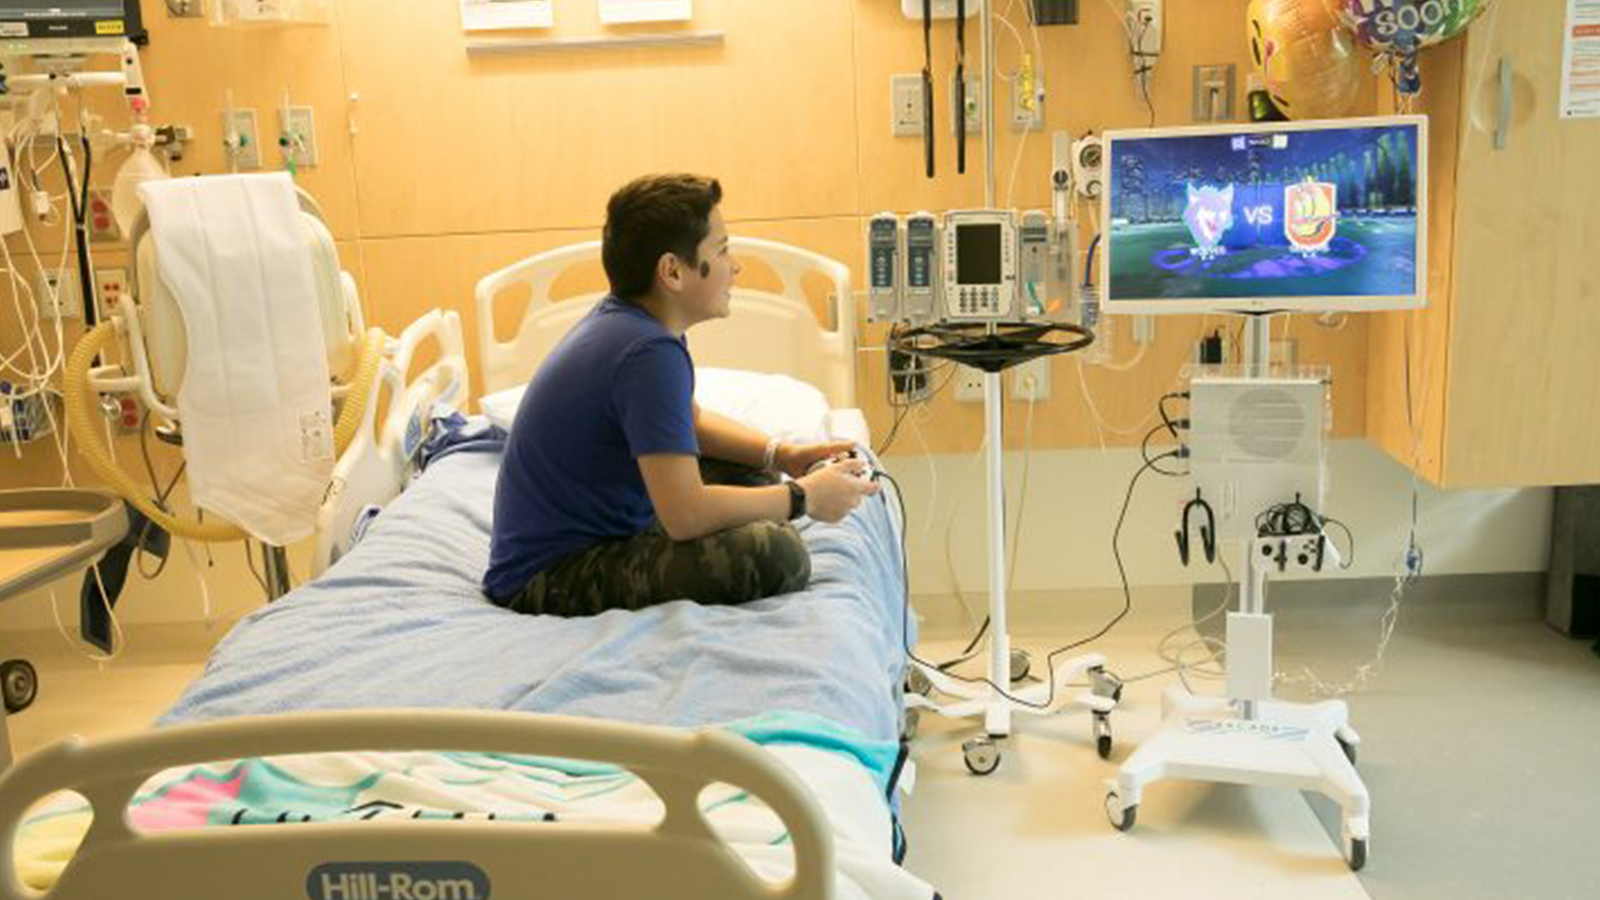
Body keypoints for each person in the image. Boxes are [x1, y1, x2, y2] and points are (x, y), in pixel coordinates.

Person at [482, 174, 879, 617]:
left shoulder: (639, 326)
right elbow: (685, 515)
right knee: (778, 555)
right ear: (672, 271)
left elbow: (690, 424)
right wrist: (804, 497)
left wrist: (784, 456)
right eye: (722, 250)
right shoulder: (645, 352)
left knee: (753, 476)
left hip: (599, 528)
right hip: (550, 575)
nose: (735, 266)